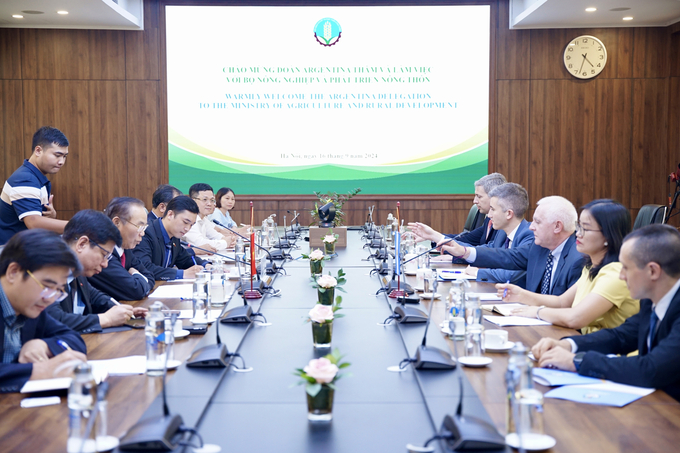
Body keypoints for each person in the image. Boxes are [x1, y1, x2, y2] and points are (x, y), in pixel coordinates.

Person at [532, 224, 680, 401]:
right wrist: (569, 345)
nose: (621, 276)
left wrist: (576, 361)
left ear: (653, 271)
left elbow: (651, 369)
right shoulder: (653, 299)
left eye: (626, 268)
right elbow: (621, 336)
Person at [500, 200, 638, 333]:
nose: (578, 233)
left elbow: (575, 318)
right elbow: (562, 302)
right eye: (579, 227)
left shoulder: (616, 274)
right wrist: (521, 295)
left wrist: (537, 312)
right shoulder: (591, 267)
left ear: (608, 235)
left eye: (586, 229)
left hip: (611, 353)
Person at [440, 195, 584, 296]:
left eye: (537, 222)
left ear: (557, 227)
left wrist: (524, 298)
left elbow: (564, 306)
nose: (531, 227)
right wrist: (465, 252)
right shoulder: (539, 247)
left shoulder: (578, 259)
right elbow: (506, 256)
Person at [0, 229, 87, 393]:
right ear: (13, 272)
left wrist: (44, 345)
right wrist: (38, 370)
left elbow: (74, 340)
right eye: (46, 286)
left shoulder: (31, 309)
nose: (50, 299)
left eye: (58, 290)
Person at [46, 210, 146, 334]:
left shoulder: (77, 268)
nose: (105, 264)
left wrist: (123, 311)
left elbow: (93, 295)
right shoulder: (45, 268)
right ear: (82, 244)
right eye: (104, 255)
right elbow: (53, 320)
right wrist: (106, 319)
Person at [0, 126, 70, 245]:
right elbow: (34, 223)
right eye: (57, 155)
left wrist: (51, 215)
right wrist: (80, 226)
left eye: (64, 156)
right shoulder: (25, 179)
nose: (61, 162)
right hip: (9, 252)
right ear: (38, 151)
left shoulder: (34, 176)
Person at [409, 172, 507, 251]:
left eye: (479, 196)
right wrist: (432, 236)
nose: (475, 201)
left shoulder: (503, 225)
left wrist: (434, 236)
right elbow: (466, 238)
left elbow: (490, 253)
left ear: (495, 196)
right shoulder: (488, 221)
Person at [463, 183, 534, 287]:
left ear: (509, 214)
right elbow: (487, 250)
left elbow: (511, 275)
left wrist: (477, 272)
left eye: (493, 209)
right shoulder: (502, 233)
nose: (489, 215)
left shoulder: (529, 236)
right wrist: (460, 251)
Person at [89, 197, 155, 301]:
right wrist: (136, 274)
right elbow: (135, 291)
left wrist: (136, 276)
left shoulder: (125, 249)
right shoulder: (101, 253)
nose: (142, 233)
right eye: (139, 227)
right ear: (116, 223)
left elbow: (150, 276)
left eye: (144, 228)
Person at [133, 195, 207, 281]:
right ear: (170, 214)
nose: (187, 228)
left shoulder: (174, 235)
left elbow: (185, 259)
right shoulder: (146, 233)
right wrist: (182, 274)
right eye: (185, 222)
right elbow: (144, 268)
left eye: (191, 225)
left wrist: (206, 265)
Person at [183, 183, 235, 254]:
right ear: (193, 201)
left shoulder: (204, 219)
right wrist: (225, 243)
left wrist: (229, 240)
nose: (209, 204)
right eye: (205, 199)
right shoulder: (188, 219)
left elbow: (215, 235)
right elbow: (200, 244)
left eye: (212, 200)